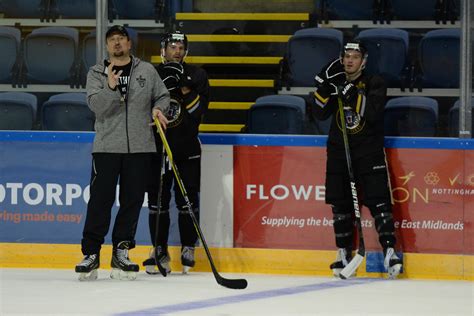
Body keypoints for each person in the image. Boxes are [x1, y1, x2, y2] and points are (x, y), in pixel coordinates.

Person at [75, 25, 170, 281]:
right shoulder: (96, 73)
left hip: (140, 148)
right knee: (100, 201)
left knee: (132, 202)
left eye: (121, 39)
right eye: (112, 40)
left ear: (129, 44)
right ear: (107, 46)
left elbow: (163, 96)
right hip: (107, 147)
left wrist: (159, 109)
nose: (116, 43)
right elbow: (97, 107)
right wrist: (109, 87)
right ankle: (91, 253)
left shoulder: (146, 71)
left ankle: (121, 252)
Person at [311, 40, 403, 279]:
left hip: (368, 150)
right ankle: (343, 252)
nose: (349, 60)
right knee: (340, 205)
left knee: (380, 202)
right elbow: (319, 113)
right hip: (339, 150)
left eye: (355, 56)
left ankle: (390, 252)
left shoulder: (375, 82)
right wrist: (323, 87)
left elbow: (372, 114)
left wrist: (349, 92)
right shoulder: (336, 81)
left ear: (364, 61)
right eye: (346, 56)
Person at [143, 31, 210, 275]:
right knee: (157, 202)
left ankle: (188, 247)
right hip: (157, 147)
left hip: (187, 148)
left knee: (188, 200)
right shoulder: (151, 74)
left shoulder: (198, 75)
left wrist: (183, 87)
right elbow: (140, 108)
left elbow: (199, 110)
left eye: (181, 47)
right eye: (173, 46)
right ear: (163, 49)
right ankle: (159, 249)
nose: (177, 51)